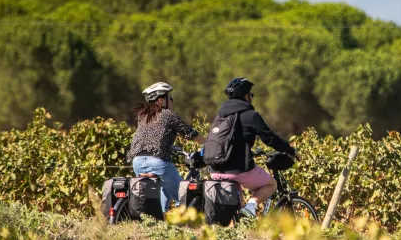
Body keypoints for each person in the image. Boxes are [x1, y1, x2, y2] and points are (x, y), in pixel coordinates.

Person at [207, 77, 299, 219]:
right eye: (251, 94)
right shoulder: (250, 115)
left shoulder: (220, 116)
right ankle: (251, 206)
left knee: (237, 207)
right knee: (271, 184)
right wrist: (291, 150)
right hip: (238, 170)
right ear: (246, 96)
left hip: (215, 170)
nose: (252, 97)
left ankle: (238, 224)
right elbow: (270, 138)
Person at [127, 81, 201, 214]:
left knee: (156, 193)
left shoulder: (143, 116)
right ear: (161, 100)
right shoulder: (168, 115)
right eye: (170, 97)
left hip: (137, 161)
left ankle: (161, 216)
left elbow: (150, 139)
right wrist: (210, 143)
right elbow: (190, 134)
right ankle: (181, 223)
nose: (172, 100)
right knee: (183, 197)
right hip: (157, 162)